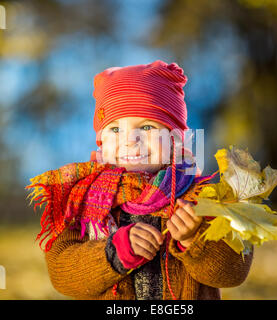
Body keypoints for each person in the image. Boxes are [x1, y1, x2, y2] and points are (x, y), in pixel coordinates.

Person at [26, 60, 253, 300]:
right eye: (115, 129)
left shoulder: (201, 196)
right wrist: (113, 253)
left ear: (174, 139)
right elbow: (62, 273)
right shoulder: (83, 198)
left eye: (146, 127)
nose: (130, 140)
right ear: (101, 140)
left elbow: (233, 272)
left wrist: (192, 240)